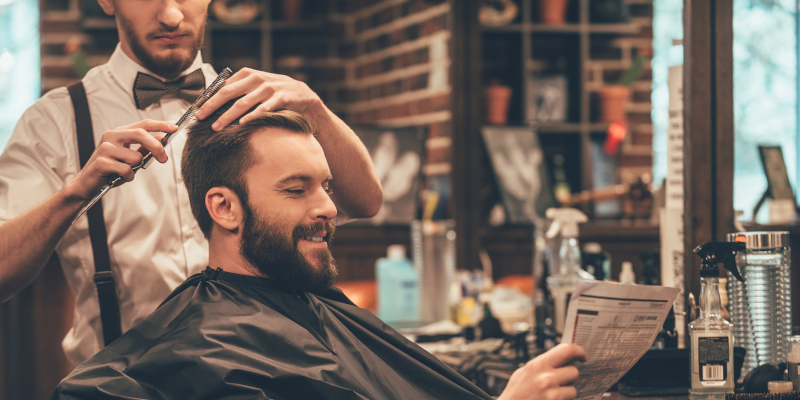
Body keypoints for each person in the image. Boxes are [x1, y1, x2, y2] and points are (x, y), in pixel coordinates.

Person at [51, 106, 588, 400]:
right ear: (225, 208)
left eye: (325, 186)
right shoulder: (215, 354)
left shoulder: (303, 313)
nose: (329, 206)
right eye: (296, 188)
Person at [0, 0, 382, 366]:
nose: (170, 15)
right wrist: (75, 193)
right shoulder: (55, 121)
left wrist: (316, 109)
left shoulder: (258, 101)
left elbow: (366, 203)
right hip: (123, 386)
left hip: (261, 375)